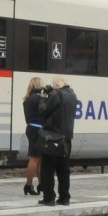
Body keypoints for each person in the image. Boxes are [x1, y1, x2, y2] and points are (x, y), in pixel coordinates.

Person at [37, 76, 77, 206]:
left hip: (53, 137)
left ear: (56, 85)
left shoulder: (56, 94)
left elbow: (44, 110)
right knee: (63, 169)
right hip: (67, 138)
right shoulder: (72, 94)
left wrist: (43, 99)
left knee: (47, 169)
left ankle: (49, 197)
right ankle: (64, 197)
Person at [21, 77, 45, 196]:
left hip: (30, 127)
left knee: (38, 159)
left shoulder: (28, 98)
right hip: (38, 129)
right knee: (35, 159)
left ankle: (41, 184)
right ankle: (28, 185)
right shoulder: (38, 98)